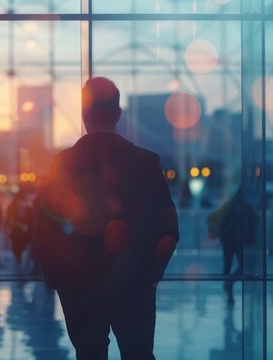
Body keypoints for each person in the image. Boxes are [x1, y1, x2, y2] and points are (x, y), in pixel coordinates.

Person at [35, 77, 179, 359]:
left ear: (83, 113)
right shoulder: (145, 162)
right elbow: (168, 228)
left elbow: (46, 228)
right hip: (134, 284)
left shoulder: (63, 164)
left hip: (79, 287)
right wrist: (150, 277)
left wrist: (60, 280)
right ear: (118, 114)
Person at [208, 187, 257, 305]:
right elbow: (254, 220)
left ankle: (229, 287)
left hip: (228, 239)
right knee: (240, 265)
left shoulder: (229, 207)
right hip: (236, 239)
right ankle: (229, 286)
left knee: (229, 265)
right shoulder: (245, 207)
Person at [7, 190, 33, 266]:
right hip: (21, 229)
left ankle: (18, 257)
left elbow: (9, 217)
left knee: (16, 245)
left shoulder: (12, 205)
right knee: (19, 245)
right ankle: (19, 257)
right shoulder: (27, 206)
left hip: (17, 229)